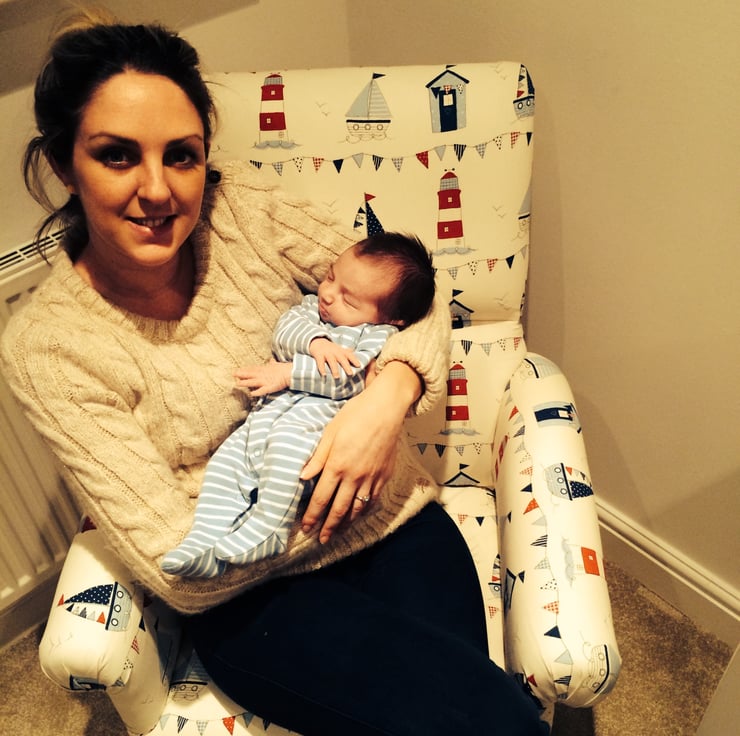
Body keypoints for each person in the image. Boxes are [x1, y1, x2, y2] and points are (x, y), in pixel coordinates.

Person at [0, 11, 549, 736]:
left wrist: (386, 401)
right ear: (65, 166)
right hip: (253, 595)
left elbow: (410, 296)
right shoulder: (49, 347)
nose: (159, 190)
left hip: (393, 519)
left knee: (476, 712)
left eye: (182, 155)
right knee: (496, 720)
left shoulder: (243, 213)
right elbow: (175, 568)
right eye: (117, 155)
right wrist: (327, 502)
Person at [161, 232, 436, 577]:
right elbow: (284, 332)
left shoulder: (378, 336)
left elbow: (350, 380)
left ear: (391, 319)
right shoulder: (310, 311)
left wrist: (290, 373)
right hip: (263, 418)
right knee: (225, 464)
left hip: (314, 428)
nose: (328, 294)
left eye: (349, 301)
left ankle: (269, 528)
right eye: (331, 276)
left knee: (286, 451)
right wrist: (316, 342)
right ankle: (202, 541)